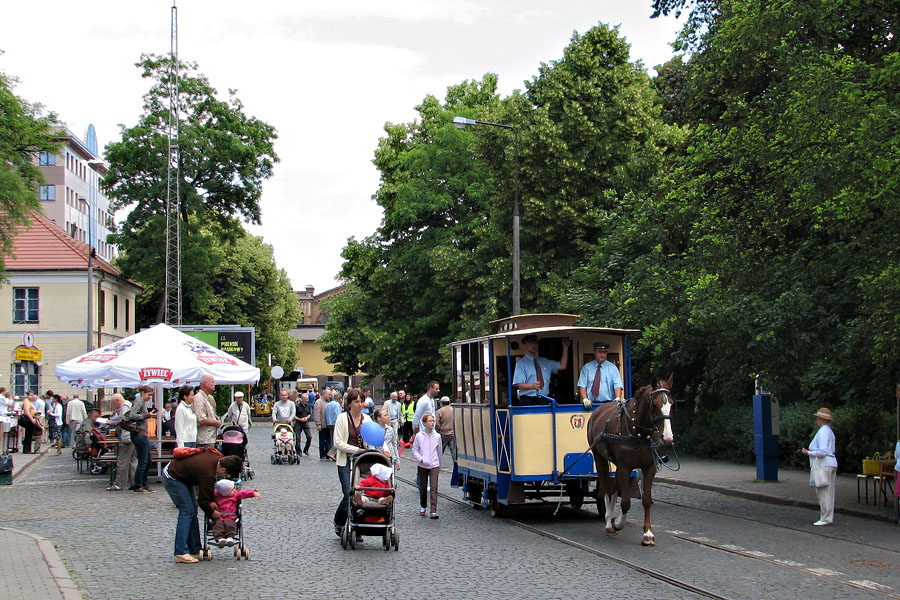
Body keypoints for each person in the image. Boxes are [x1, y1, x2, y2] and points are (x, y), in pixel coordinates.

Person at [162, 450, 243, 564]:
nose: (225, 477)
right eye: (226, 475)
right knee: (187, 511)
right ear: (224, 470)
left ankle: (195, 549)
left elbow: (207, 489)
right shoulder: (208, 473)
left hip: (183, 476)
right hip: (173, 476)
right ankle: (180, 552)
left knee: (191, 510)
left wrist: (212, 501)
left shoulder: (216, 458)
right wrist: (212, 512)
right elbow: (203, 500)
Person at [332, 388, 372, 536]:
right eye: (356, 401)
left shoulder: (367, 419)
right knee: (348, 493)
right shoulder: (342, 418)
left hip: (362, 462)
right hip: (346, 461)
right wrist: (357, 449)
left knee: (360, 495)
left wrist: (385, 449)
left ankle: (357, 525)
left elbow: (377, 437)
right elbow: (337, 442)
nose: (360, 404)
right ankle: (339, 522)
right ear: (349, 404)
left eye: (362, 401)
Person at [802, 407, 837, 526]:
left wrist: (809, 453)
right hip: (831, 463)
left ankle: (825, 518)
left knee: (823, 492)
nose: (816, 419)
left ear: (821, 419)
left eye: (818, 417)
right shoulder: (829, 431)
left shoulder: (823, 431)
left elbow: (822, 451)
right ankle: (827, 517)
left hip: (824, 464)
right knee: (829, 492)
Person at [512, 335, 570, 405]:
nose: (534, 345)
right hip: (527, 401)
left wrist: (565, 347)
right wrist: (532, 386)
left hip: (544, 399)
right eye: (530, 343)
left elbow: (562, 366)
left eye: (535, 343)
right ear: (525, 345)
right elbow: (520, 384)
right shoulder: (521, 364)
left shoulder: (544, 361)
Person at [211, 479, 260, 547]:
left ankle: (230, 537)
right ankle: (220, 538)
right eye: (232, 490)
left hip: (230, 517)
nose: (234, 490)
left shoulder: (235, 494)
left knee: (230, 524)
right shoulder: (216, 494)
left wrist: (252, 493)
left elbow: (243, 493)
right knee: (218, 525)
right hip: (218, 516)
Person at [127, 385, 157, 493]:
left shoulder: (141, 402)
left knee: (147, 460)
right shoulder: (139, 401)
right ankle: (138, 485)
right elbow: (132, 415)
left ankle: (143, 484)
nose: (149, 397)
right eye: (149, 395)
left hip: (142, 434)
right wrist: (146, 415)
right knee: (143, 461)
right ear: (142, 393)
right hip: (139, 434)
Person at [412, 413, 442, 519]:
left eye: (433, 421)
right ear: (424, 423)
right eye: (429, 421)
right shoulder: (419, 436)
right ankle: (423, 506)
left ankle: (433, 511)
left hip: (434, 465)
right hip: (422, 465)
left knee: (434, 488)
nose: (432, 423)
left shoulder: (437, 436)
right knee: (423, 488)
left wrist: (439, 465)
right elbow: (414, 450)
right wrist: (421, 459)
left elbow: (439, 452)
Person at [108, 393, 138, 491]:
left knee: (122, 461)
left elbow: (124, 421)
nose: (115, 406)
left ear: (118, 400)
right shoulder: (130, 404)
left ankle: (119, 484)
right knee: (133, 461)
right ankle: (135, 482)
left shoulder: (124, 406)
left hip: (126, 437)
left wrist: (113, 423)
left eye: (114, 404)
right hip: (133, 436)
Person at [193, 375, 220, 448]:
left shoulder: (207, 397)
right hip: (204, 439)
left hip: (209, 438)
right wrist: (215, 422)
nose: (215, 384)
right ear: (206, 384)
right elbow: (201, 419)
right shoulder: (199, 398)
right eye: (213, 382)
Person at [435, 396, 456, 463]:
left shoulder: (439, 412)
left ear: (441, 403)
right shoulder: (453, 410)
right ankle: (456, 465)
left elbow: (437, 424)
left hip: (443, 434)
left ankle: (437, 464)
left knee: (440, 452)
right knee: (454, 452)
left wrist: (438, 430)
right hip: (452, 434)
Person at [293, 391, 314, 456]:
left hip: (305, 422)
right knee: (298, 438)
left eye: (307, 399)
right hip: (298, 422)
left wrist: (307, 418)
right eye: (305, 400)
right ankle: (298, 451)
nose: (307, 401)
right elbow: (293, 415)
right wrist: (300, 419)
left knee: (309, 437)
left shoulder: (308, 405)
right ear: (302, 399)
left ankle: (306, 449)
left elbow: (310, 413)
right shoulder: (297, 406)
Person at [325, 389, 341, 460]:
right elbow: (338, 415)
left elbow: (326, 414)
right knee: (338, 439)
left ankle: (334, 454)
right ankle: (332, 453)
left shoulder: (328, 404)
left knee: (332, 439)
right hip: (335, 423)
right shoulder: (336, 404)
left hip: (329, 423)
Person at [314, 388, 329, 459]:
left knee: (327, 440)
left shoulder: (328, 402)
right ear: (325, 394)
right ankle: (322, 454)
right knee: (322, 440)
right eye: (329, 394)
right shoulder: (318, 402)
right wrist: (318, 424)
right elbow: (317, 414)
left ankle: (327, 453)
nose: (330, 396)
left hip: (328, 424)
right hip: (322, 425)